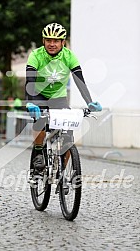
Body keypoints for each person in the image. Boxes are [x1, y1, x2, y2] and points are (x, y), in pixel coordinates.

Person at [26, 22, 102, 170]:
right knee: (39, 122)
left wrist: (90, 102)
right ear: (43, 41)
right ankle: (38, 153)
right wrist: (30, 102)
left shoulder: (69, 56)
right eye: (48, 40)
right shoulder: (35, 55)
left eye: (56, 41)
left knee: (68, 136)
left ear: (63, 42)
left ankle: (63, 173)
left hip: (58, 98)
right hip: (39, 96)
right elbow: (30, 82)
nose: (52, 44)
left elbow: (79, 81)